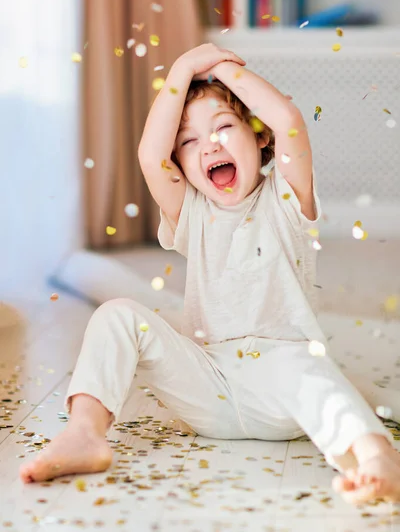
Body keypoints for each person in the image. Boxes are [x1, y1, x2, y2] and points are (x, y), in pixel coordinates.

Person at [20, 43, 400, 506]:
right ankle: (85, 433)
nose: (211, 145)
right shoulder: (191, 212)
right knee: (117, 314)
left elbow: (288, 119)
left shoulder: (286, 199)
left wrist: (221, 69)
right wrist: (184, 67)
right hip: (210, 384)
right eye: (190, 141)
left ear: (260, 137)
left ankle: (375, 458)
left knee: (315, 372)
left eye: (223, 127)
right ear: (179, 165)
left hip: (283, 376)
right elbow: (149, 154)